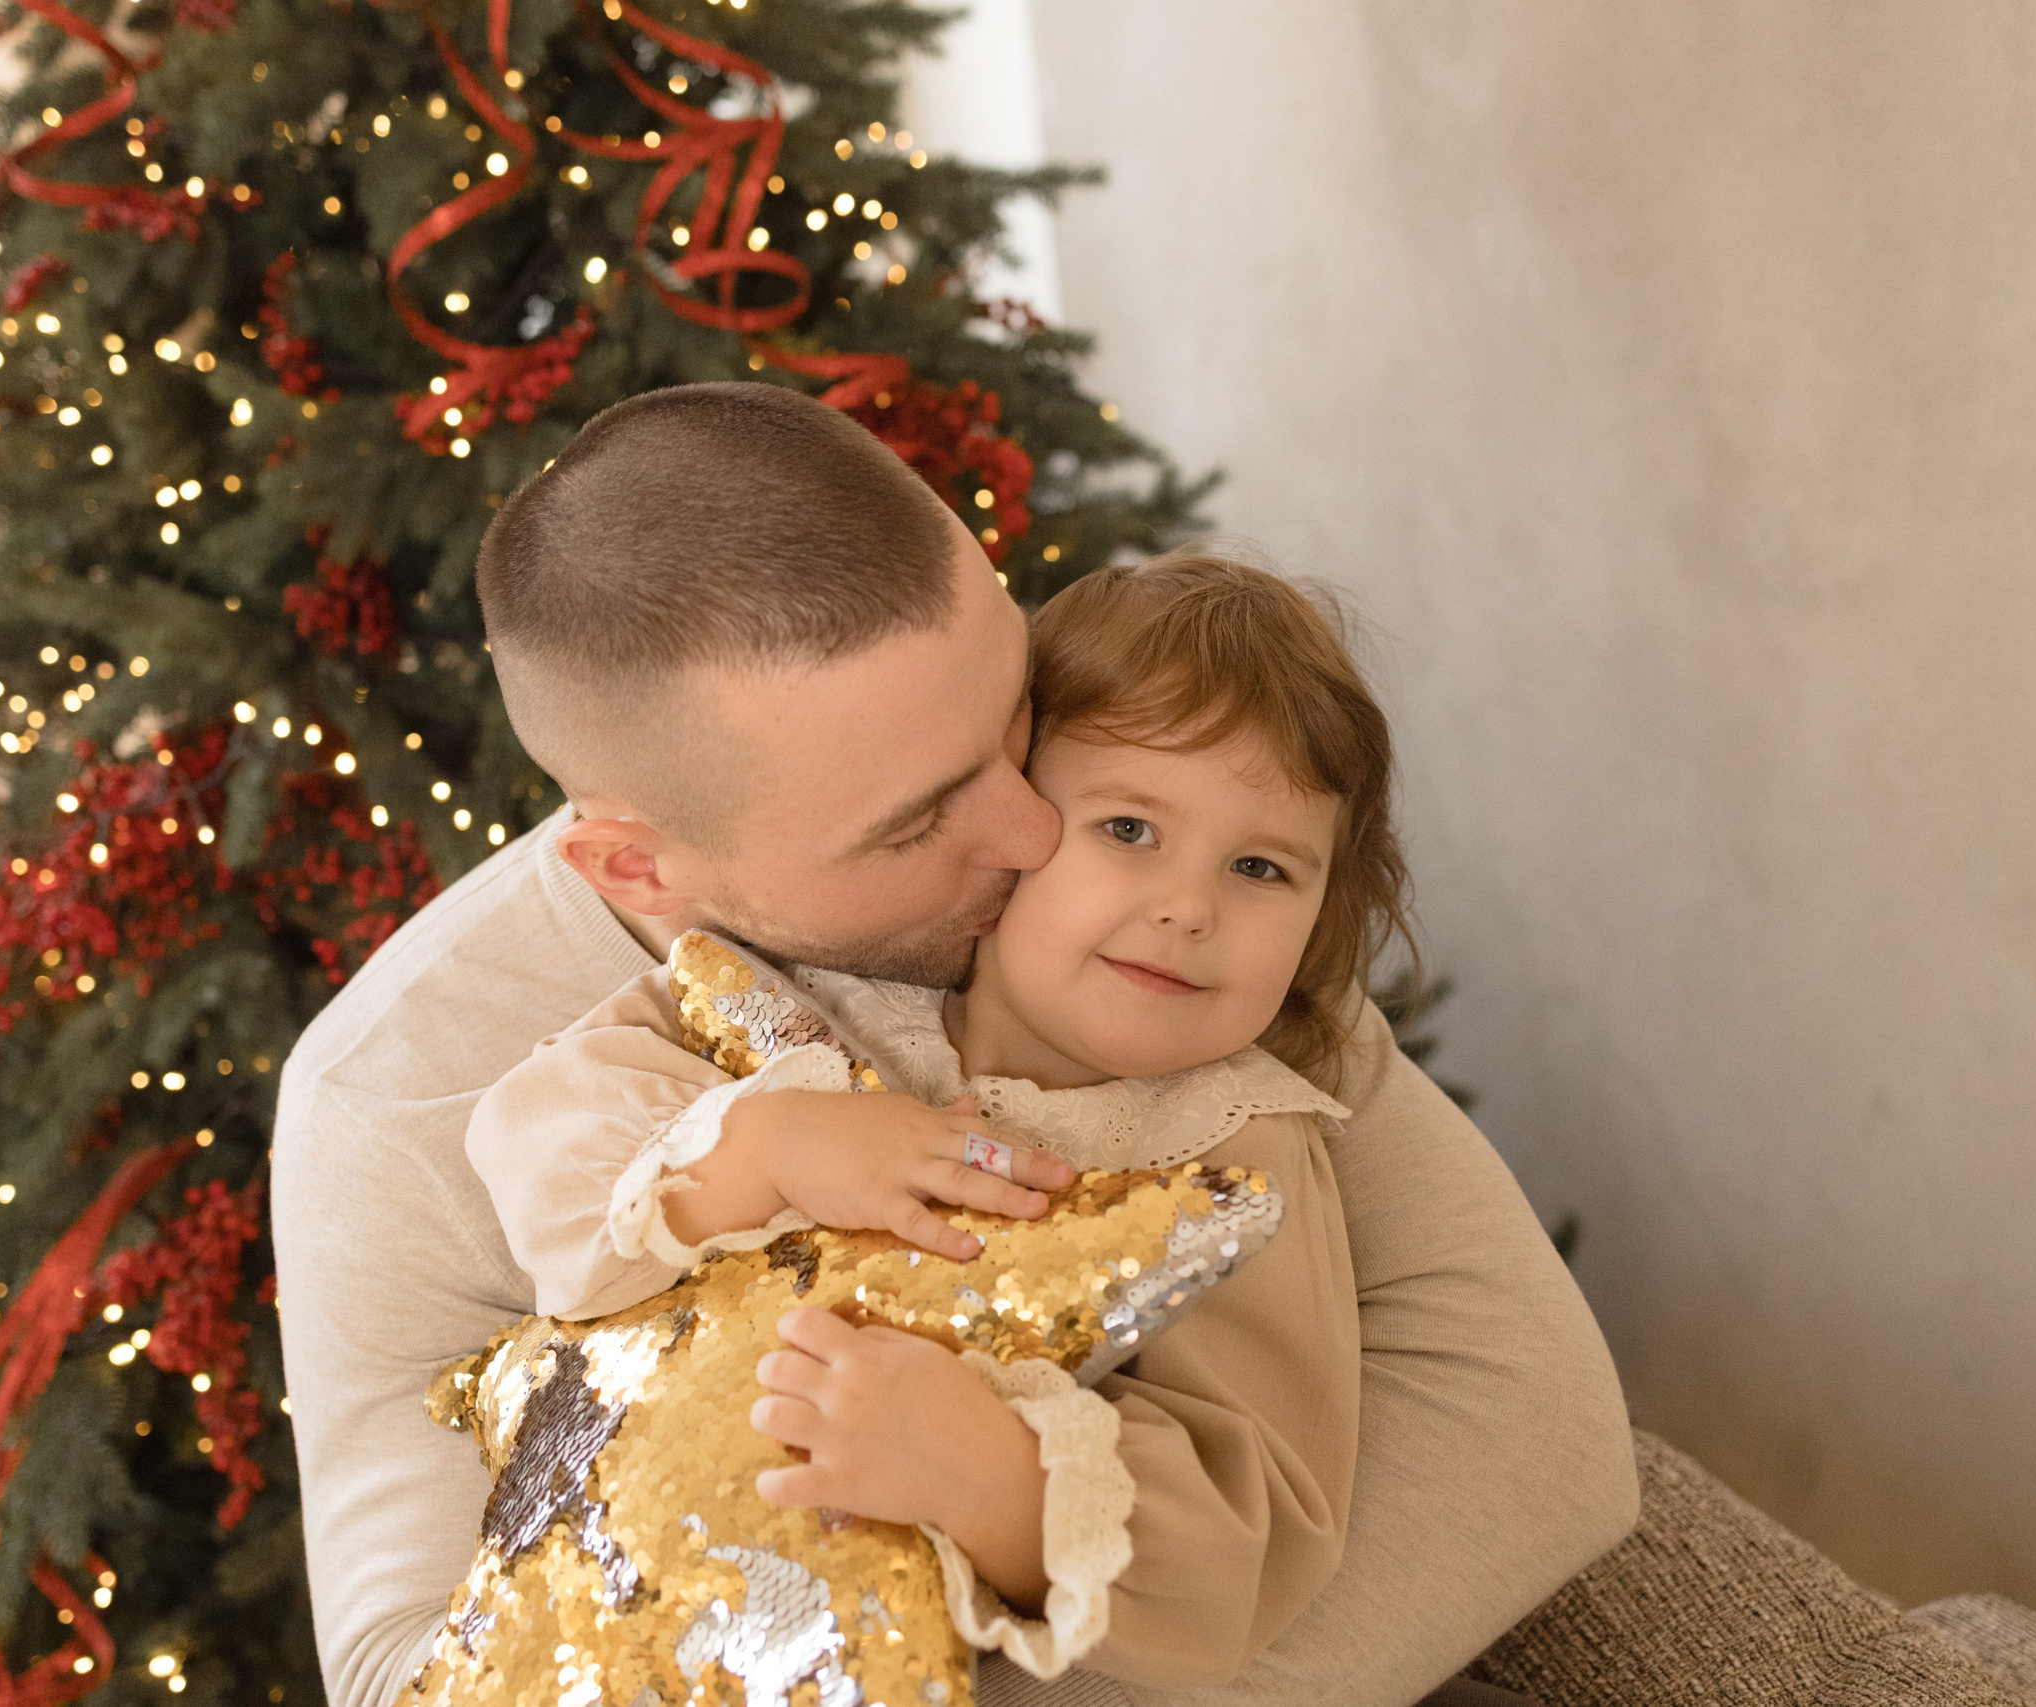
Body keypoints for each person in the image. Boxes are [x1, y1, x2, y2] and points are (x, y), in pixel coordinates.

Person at [269, 383, 1638, 1707]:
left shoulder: (1154, 918)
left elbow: (1535, 1435)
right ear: (638, 866)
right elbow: (412, 1669)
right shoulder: (396, 1103)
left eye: (1012, 724)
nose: (1037, 832)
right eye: (919, 821)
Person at [469, 552, 1393, 1683]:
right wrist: (764, 1148)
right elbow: (543, 1125)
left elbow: (1261, 1522)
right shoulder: (831, 986)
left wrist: (994, 1479)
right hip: (596, 1581)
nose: (1187, 908)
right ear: (1014, 814)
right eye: (1128, 831)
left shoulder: (1234, 1153)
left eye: (1261, 867)